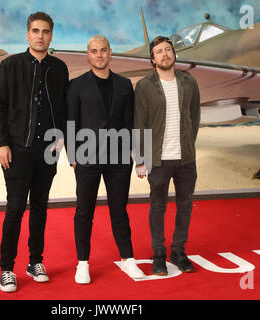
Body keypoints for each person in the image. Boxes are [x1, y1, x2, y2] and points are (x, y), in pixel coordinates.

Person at [0, 12, 69, 292]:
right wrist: (1, 144)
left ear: (51, 36)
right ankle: (7, 268)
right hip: (17, 150)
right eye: (35, 31)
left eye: (45, 31)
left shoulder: (59, 69)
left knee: (40, 208)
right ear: (27, 34)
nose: (40, 36)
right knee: (14, 209)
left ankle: (35, 261)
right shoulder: (10, 66)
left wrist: (61, 139)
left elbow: (63, 107)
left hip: (47, 151)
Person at [66, 35, 145, 284]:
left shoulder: (124, 85)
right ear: (87, 55)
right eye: (93, 51)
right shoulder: (76, 85)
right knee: (84, 212)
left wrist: (139, 156)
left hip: (120, 159)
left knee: (119, 211)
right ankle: (82, 263)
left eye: (103, 50)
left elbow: (131, 122)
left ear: (110, 53)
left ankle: (128, 259)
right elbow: (71, 122)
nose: (99, 55)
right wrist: (72, 156)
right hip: (87, 157)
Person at [133, 36, 200, 275]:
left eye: (168, 50)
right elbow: (139, 123)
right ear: (152, 59)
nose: (165, 54)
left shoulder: (189, 81)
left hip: (186, 159)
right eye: (159, 51)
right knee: (157, 206)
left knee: (185, 206)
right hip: (157, 159)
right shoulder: (144, 86)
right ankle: (159, 253)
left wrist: (188, 145)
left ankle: (179, 251)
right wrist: (140, 159)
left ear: (174, 54)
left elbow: (195, 116)